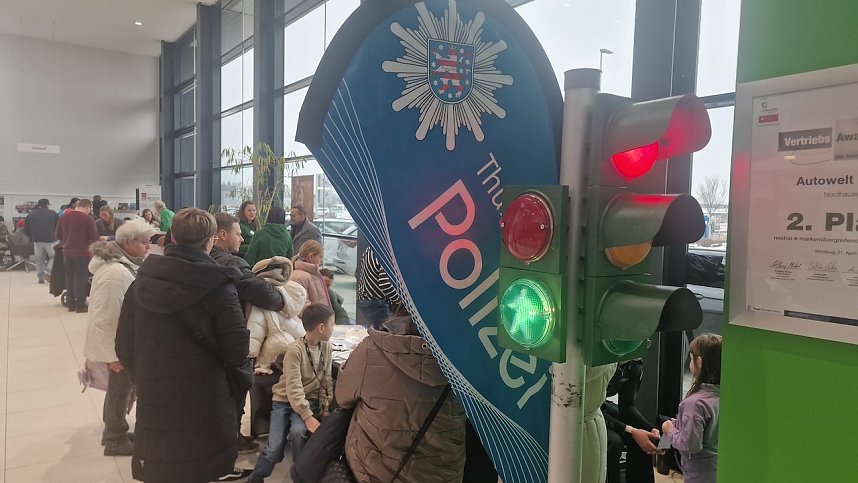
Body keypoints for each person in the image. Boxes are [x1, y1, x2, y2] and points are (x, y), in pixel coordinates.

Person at [115, 208, 249, 483]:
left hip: (155, 392)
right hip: (206, 396)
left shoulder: (142, 281)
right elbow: (237, 350)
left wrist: (142, 377)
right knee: (199, 465)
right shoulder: (220, 286)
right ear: (210, 241)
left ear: (172, 237)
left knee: (163, 464)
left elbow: (123, 344)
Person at [336, 312, 467, 482]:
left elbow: (342, 397)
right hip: (441, 474)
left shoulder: (370, 350)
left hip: (372, 471)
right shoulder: (467, 362)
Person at [210, 212, 286, 461]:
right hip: (233, 338)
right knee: (235, 390)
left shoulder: (203, 260)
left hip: (207, 338)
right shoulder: (230, 264)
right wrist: (282, 298)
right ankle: (230, 440)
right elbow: (267, 297)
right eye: (237, 233)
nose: (242, 238)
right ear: (222, 234)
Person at [84, 220, 154, 457]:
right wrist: (114, 356)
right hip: (117, 347)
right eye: (143, 242)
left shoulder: (122, 266)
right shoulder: (116, 273)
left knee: (121, 389)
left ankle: (115, 431)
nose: (147, 247)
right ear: (126, 242)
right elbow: (108, 318)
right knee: (120, 391)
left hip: (121, 344)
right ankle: (116, 438)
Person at [247, 303, 335, 483]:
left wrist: (325, 407)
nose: (333, 328)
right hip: (284, 400)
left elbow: (326, 381)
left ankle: (300, 476)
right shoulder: (294, 350)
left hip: (306, 400)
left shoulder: (326, 348)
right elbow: (293, 388)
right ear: (321, 327)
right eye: (332, 324)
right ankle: (255, 478)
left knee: (298, 432)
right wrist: (308, 416)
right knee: (274, 448)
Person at [661, 333, 722, 483]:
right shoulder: (724, 395)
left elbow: (690, 445)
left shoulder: (694, 404)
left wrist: (669, 431)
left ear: (699, 361)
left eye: (690, 357)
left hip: (699, 472)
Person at [604, 359, 660, 483]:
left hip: (601, 405)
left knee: (646, 437)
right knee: (614, 442)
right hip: (584, 409)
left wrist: (651, 430)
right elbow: (590, 409)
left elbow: (627, 407)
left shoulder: (634, 365)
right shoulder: (602, 363)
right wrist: (630, 431)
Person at [55, 198, 99, 312]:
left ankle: (71, 304)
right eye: (90, 209)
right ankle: (80, 305)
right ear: (87, 207)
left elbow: (58, 235)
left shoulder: (63, 217)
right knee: (81, 279)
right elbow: (95, 237)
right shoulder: (88, 219)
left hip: (66, 252)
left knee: (69, 279)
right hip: (82, 253)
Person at [356, 246, 401, 329]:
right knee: (382, 334)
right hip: (376, 301)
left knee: (374, 331)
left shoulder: (370, 248)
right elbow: (385, 283)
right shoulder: (386, 254)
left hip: (364, 297)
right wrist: (398, 300)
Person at [23, 198, 59, 284]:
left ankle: (41, 278)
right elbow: (59, 226)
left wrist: (32, 237)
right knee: (54, 256)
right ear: (47, 205)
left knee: (39, 259)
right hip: (51, 240)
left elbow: (26, 229)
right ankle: (48, 271)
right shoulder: (53, 213)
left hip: (37, 240)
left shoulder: (31, 214)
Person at [290, 240, 331, 308]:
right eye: (320, 257)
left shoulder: (313, 274)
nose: (322, 260)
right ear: (311, 257)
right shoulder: (299, 277)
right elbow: (302, 307)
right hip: (314, 317)